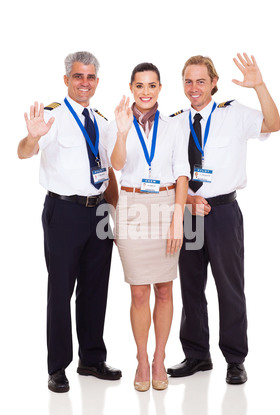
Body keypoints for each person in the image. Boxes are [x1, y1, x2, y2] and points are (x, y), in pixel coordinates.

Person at [167, 53, 280, 384]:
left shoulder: (234, 114)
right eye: (188, 81)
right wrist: (187, 199)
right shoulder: (175, 121)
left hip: (223, 213)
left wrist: (259, 85)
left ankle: (234, 358)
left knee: (229, 287)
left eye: (201, 80)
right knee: (190, 286)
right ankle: (196, 355)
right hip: (188, 211)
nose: (194, 87)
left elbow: (273, 124)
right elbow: (166, 172)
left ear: (214, 83)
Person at [17, 51, 122, 393]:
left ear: (96, 81)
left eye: (90, 77)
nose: (84, 83)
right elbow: (24, 151)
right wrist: (32, 136)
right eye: (78, 76)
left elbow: (108, 169)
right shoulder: (53, 117)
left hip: (100, 212)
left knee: (96, 288)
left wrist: (114, 210)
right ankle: (57, 367)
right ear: (66, 80)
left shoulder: (103, 121)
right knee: (61, 289)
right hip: (64, 212)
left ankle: (91, 358)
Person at [107, 63, 190, 391]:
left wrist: (178, 218)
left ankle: (159, 358)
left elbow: (181, 172)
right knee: (139, 291)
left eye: (151, 85)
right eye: (139, 86)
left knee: (165, 289)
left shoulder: (172, 127)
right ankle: (142, 359)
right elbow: (116, 165)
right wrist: (124, 132)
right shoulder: (120, 123)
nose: (145, 92)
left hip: (166, 204)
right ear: (131, 88)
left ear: (159, 88)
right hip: (131, 206)